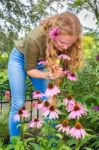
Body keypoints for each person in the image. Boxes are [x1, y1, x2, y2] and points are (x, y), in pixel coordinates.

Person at [8, 12, 83, 143]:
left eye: (70, 44)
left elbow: (62, 72)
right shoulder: (35, 38)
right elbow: (30, 69)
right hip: (19, 59)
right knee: (18, 102)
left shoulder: (67, 44)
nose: (65, 47)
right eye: (63, 42)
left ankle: (52, 143)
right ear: (54, 33)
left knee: (49, 101)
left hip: (40, 61)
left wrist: (54, 89)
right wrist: (48, 74)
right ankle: (14, 143)